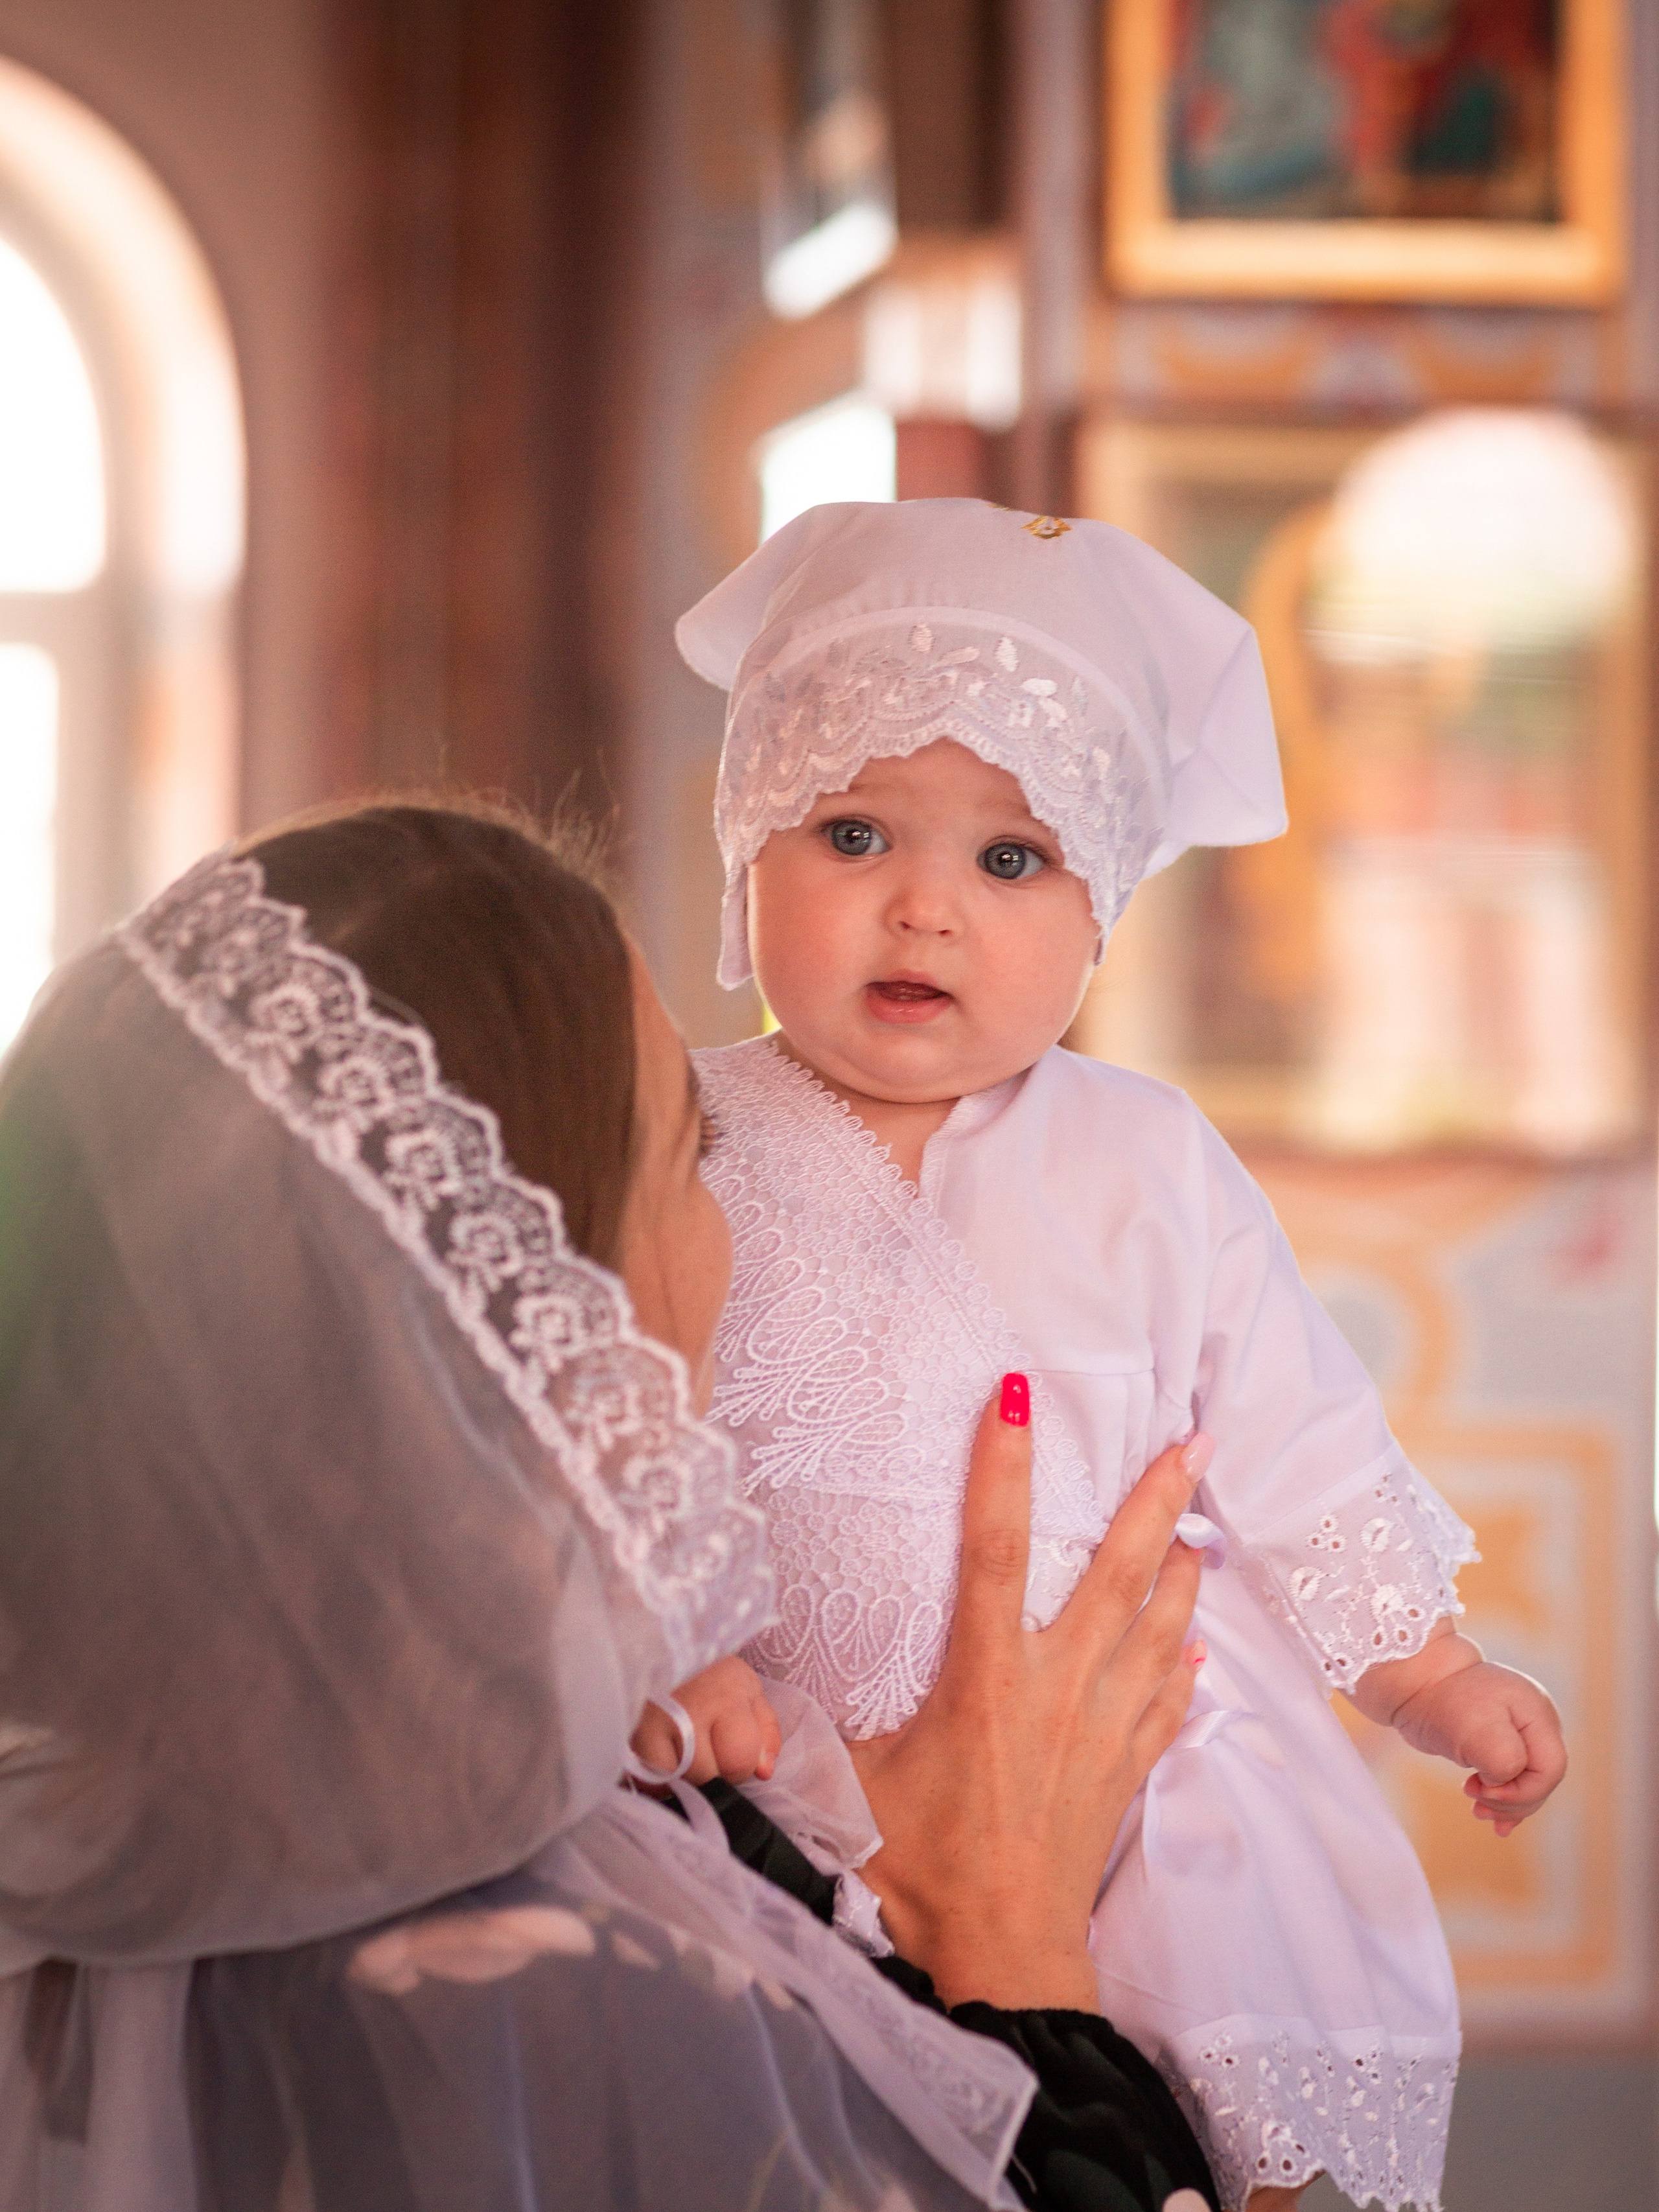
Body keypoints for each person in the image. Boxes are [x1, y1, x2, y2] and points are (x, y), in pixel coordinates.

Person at [0, 800, 1219, 2212]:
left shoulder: (74, 1844)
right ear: (538, 1313)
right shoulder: (567, 2008)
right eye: (697, 1158)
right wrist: (1013, 1956)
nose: (734, 1236)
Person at [671, 502, 1570, 2212]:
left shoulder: (1147, 1155)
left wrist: (1429, 1669)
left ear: (1103, 915)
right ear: (745, 846)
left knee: (1200, 2042)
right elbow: (617, 1423)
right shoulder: (684, 1131)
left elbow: (1297, 1437)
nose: (923, 908)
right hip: (792, 1748)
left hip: (1139, 1762)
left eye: (1010, 860)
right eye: (853, 833)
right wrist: (670, 1646)